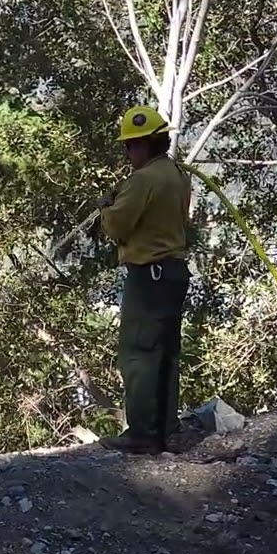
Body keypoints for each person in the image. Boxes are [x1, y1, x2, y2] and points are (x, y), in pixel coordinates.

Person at [96, 105, 193, 454]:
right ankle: (166, 429)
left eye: (131, 145)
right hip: (173, 273)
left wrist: (106, 208)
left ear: (146, 144)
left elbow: (118, 226)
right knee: (165, 352)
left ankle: (142, 434)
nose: (128, 152)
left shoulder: (143, 179)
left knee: (138, 353)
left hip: (148, 276)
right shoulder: (179, 175)